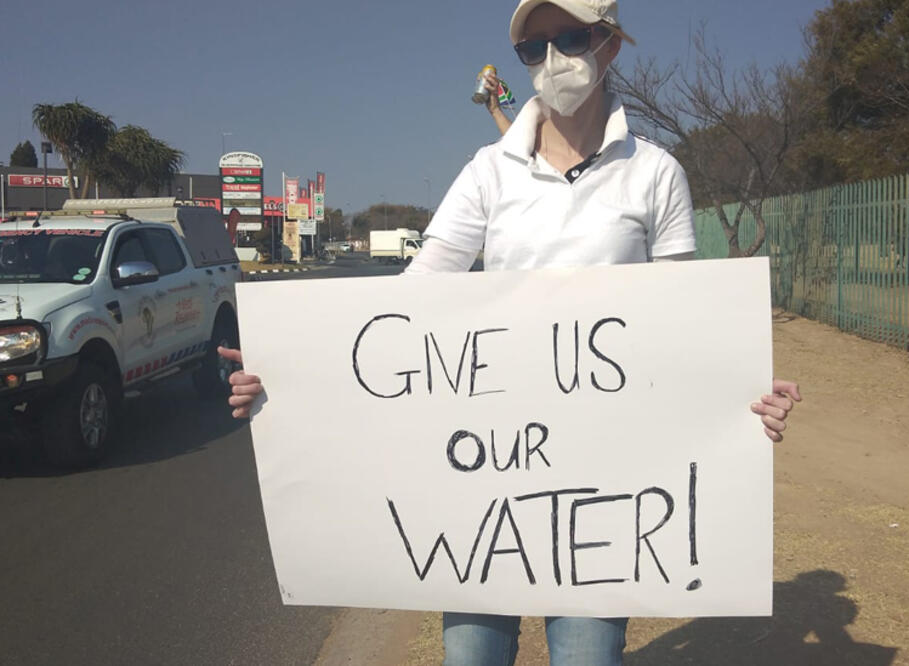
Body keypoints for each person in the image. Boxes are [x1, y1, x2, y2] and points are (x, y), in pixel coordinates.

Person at [221, 1, 802, 663]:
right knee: (471, 657)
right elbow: (407, 303)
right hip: (483, 491)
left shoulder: (656, 174)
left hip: (604, 486)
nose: (552, 59)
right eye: (535, 47)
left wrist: (745, 393)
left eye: (572, 38)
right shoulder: (488, 172)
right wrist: (291, 367)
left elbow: (683, 324)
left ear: (609, 46)